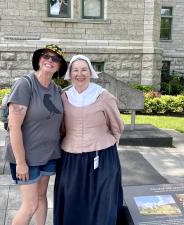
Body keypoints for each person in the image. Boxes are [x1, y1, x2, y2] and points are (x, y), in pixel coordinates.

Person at [54, 55, 124, 225]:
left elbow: (117, 125)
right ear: (70, 74)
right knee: (72, 199)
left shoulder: (103, 96)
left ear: (90, 72)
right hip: (71, 158)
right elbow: (62, 127)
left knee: (102, 200)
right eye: (75, 70)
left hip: (103, 156)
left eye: (84, 69)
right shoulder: (64, 97)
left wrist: (104, 144)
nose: (80, 74)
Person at [3, 44, 67, 225]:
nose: (50, 60)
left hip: (48, 154)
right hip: (26, 157)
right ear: (38, 60)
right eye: (46, 56)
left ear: (59, 66)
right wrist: (21, 162)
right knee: (29, 205)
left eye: (55, 59)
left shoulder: (56, 90)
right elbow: (14, 127)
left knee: (41, 197)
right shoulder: (25, 84)